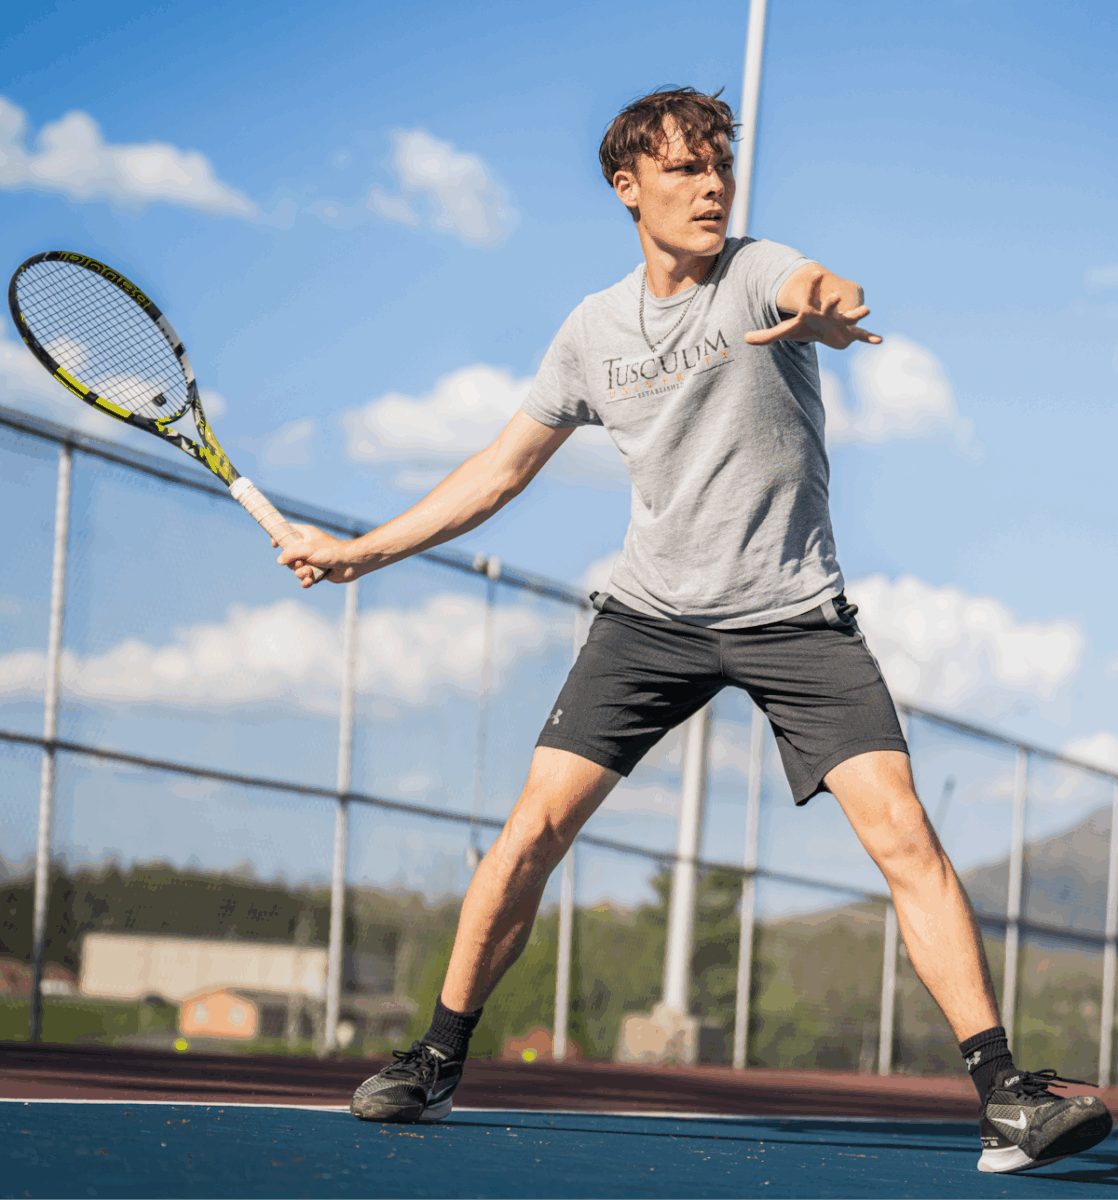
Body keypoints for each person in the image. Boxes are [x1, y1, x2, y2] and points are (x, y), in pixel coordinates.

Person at [278, 88, 1111, 1175]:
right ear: (628, 187)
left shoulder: (758, 272)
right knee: (530, 831)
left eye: (719, 166)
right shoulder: (590, 331)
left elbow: (820, 284)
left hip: (791, 614)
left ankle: (1004, 1093)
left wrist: (830, 308)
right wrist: (362, 551)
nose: (711, 186)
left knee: (903, 832)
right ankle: (435, 1058)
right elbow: (496, 471)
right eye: (683, 169)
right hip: (650, 618)